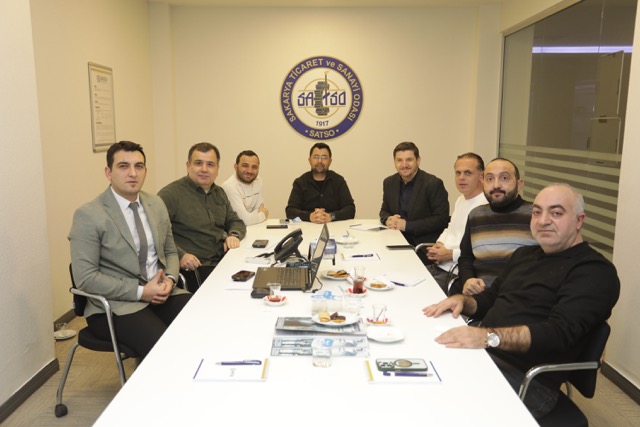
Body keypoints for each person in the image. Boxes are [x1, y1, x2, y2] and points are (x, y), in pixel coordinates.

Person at [423, 184, 620, 419]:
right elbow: (489, 299)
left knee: (437, 407)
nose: (543, 220)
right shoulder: (524, 255)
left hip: (529, 380)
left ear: (579, 220)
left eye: (556, 213)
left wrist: (487, 337)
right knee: (420, 368)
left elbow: (557, 334)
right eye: (537, 212)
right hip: (485, 355)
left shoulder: (594, 271)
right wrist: (463, 301)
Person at [68, 141, 191, 359]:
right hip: (115, 305)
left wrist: (170, 280)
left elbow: (171, 251)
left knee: (202, 321)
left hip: (161, 294)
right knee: (164, 349)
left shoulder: (156, 204)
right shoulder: (89, 215)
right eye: (123, 166)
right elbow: (86, 279)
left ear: (145, 171)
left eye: (139, 166)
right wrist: (141, 292)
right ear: (108, 172)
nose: (133, 173)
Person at [158, 142, 246, 290]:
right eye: (198, 163)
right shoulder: (170, 195)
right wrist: (180, 255)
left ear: (217, 169)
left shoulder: (219, 193)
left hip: (222, 260)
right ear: (188, 165)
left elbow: (235, 221)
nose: (204, 169)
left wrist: (233, 235)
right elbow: (156, 234)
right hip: (195, 267)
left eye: (210, 164)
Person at [448, 157, 537, 296]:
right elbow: (466, 257)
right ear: (483, 182)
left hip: (520, 297)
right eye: (490, 179)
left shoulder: (535, 215)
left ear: (519, 184)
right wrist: (468, 279)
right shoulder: (476, 215)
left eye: (504, 178)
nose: (496, 185)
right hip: (479, 295)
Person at [426, 153, 488, 293]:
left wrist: (450, 254)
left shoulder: (485, 206)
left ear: (481, 176)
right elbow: (450, 228)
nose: (461, 178)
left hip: (456, 274)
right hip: (440, 266)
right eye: (458, 173)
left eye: (468, 173)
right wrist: (439, 244)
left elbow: (481, 251)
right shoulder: (461, 199)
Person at [379, 141, 449, 264]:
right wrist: (387, 219)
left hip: (421, 247)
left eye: (409, 160)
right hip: (394, 240)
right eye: (399, 160)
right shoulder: (389, 182)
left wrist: (408, 226)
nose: (404, 165)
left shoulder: (433, 184)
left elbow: (441, 219)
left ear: (418, 160)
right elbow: (384, 210)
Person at [285, 142, 355, 223]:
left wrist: (331, 216)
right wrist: (309, 216)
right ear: (309, 160)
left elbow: (350, 209)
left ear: (330, 161)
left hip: (334, 228)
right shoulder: (300, 182)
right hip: (307, 228)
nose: (320, 161)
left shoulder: (338, 181)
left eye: (324, 157)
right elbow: (290, 211)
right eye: (316, 157)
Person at [221, 150, 269, 225]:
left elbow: (260, 208)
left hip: (253, 228)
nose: (250, 171)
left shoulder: (258, 181)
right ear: (236, 167)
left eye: (254, 167)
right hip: (232, 231)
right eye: (245, 166)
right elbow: (243, 220)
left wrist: (249, 217)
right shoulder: (229, 186)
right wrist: (262, 215)